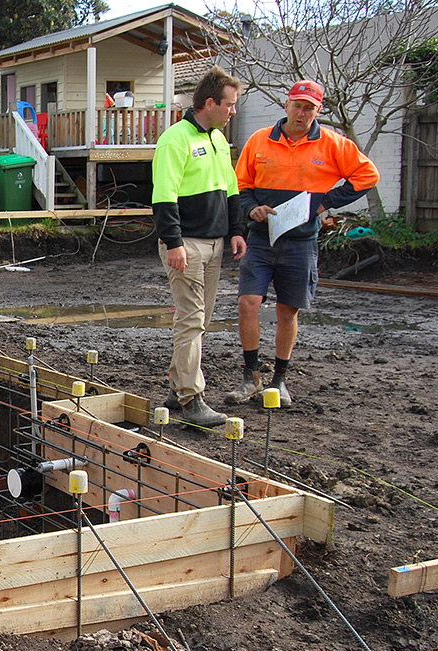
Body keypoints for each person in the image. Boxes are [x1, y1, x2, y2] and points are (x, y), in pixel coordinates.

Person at [226, 79, 379, 408]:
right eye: (297, 105)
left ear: (317, 110)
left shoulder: (333, 144)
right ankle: (250, 377)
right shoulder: (259, 141)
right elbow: (240, 184)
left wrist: (325, 203)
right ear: (287, 105)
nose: (301, 112)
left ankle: (279, 380)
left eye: (309, 107)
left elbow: (368, 175)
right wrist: (252, 208)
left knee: (287, 310)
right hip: (262, 237)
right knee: (248, 303)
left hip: (300, 241)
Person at [151, 66, 247, 428]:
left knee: (200, 321)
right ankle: (192, 399)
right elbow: (164, 196)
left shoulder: (219, 140)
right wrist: (174, 242)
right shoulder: (175, 140)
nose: (233, 111)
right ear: (210, 103)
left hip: (214, 242)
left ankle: (178, 389)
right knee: (191, 320)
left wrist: (236, 230)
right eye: (229, 104)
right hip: (187, 244)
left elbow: (231, 190)